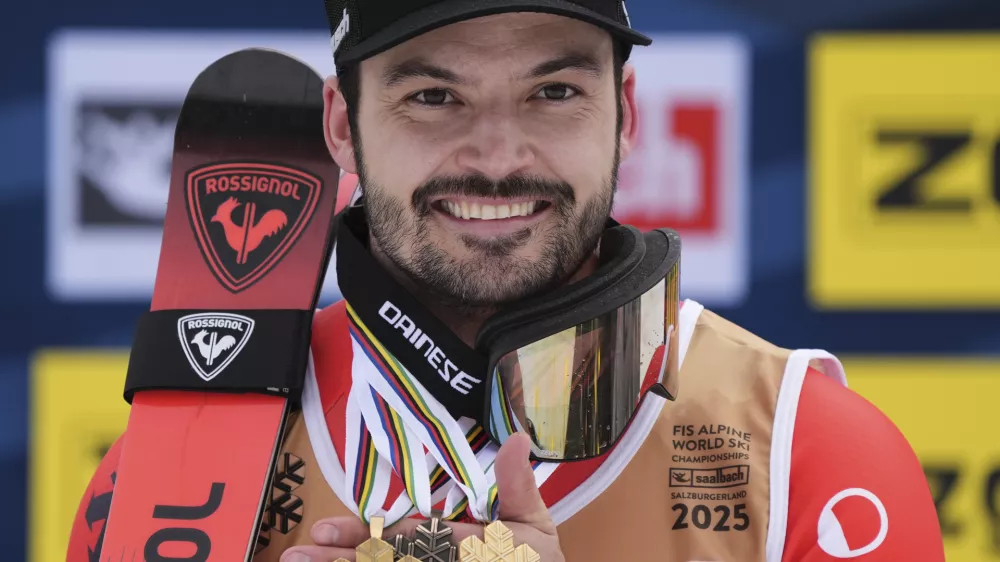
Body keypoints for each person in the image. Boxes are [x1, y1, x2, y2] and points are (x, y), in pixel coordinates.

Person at [67, 1, 946, 560]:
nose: (497, 157)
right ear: (342, 126)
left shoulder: (806, 455)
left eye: (553, 92)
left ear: (625, 115)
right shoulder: (172, 478)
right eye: (434, 97)